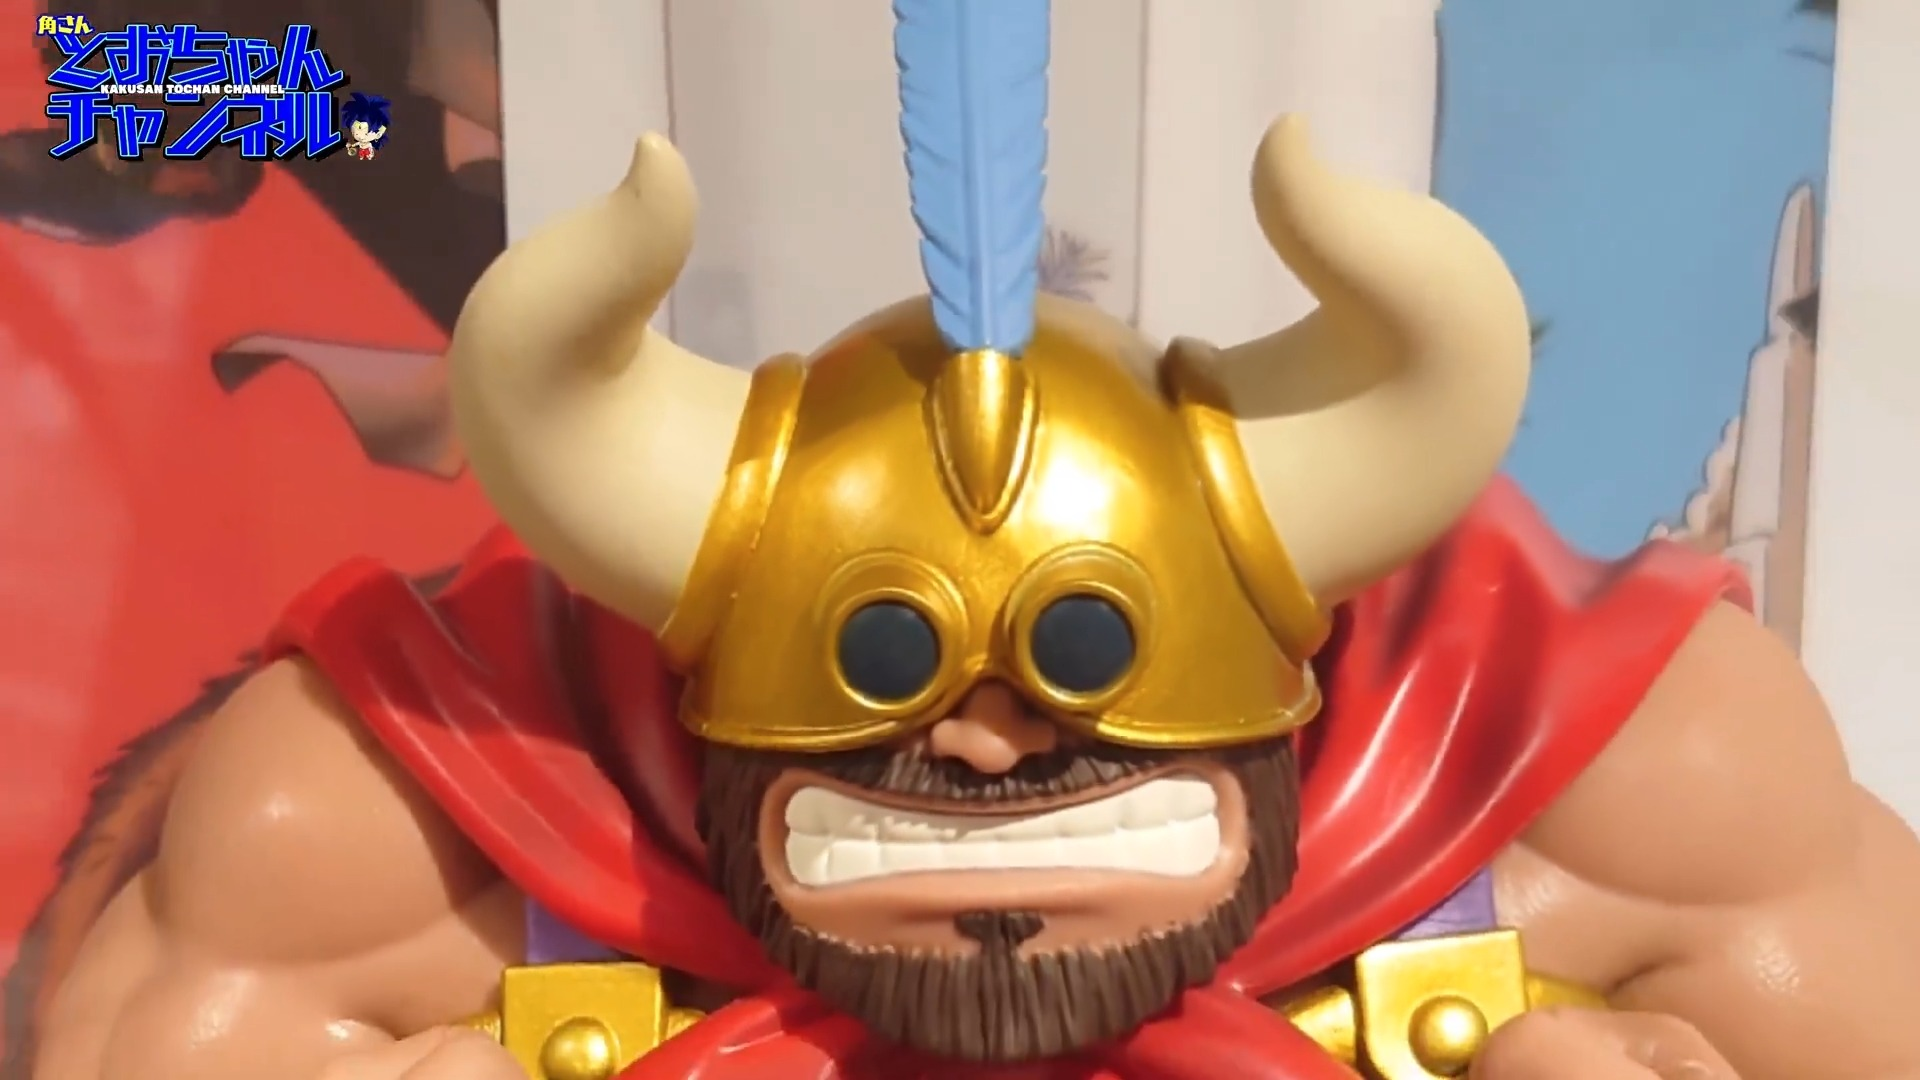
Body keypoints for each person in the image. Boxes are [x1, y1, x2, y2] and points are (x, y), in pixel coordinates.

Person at [32, 2, 1920, 1078]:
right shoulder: (391, 815)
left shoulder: (1616, 779)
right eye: (891, 675)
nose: (989, 743)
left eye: (1083, 663)